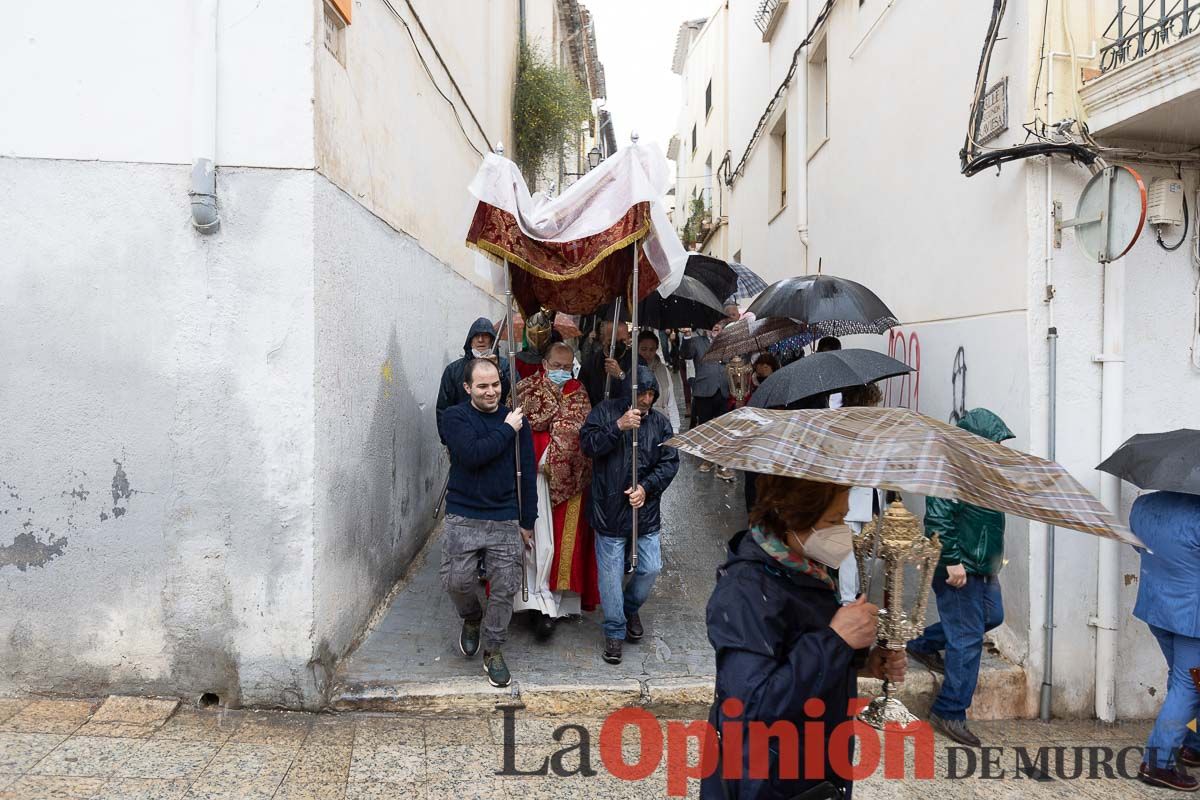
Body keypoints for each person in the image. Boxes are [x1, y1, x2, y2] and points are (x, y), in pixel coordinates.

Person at [703, 476, 907, 800]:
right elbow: (751, 706)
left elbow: (798, 654)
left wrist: (861, 663)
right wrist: (836, 641)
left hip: (817, 769)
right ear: (791, 515)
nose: (843, 530)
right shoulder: (745, 591)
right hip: (768, 781)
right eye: (833, 520)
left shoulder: (806, 569)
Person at [906, 408, 1013, 746]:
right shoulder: (951, 470)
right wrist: (952, 561)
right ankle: (949, 710)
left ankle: (922, 644)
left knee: (992, 616)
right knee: (966, 639)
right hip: (959, 569)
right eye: (994, 441)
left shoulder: (984, 471)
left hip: (982, 568)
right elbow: (937, 521)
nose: (999, 447)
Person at [439, 358, 537, 688]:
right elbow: (472, 454)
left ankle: (493, 649)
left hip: (505, 514)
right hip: (464, 513)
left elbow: (527, 472)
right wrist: (507, 428)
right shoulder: (455, 417)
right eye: (482, 386)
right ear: (468, 388)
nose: (491, 391)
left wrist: (527, 521)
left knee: (505, 588)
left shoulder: (517, 422)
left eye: (495, 384)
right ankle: (470, 616)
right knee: (457, 581)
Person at [580, 364, 680, 665]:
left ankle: (628, 607)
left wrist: (646, 488)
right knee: (610, 575)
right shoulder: (604, 412)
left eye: (651, 393)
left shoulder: (661, 424)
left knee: (650, 568)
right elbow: (588, 445)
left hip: (644, 512)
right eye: (642, 393)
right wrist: (618, 427)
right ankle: (614, 631)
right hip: (609, 509)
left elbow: (670, 463)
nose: (647, 399)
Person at [512, 343, 599, 638]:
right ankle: (532, 602)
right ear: (545, 363)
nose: (562, 372)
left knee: (561, 545)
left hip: (569, 480)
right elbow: (524, 423)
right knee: (537, 544)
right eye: (556, 366)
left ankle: (555, 605)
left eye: (567, 366)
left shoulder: (579, 391)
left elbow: (580, 429)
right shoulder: (526, 388)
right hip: (532, 478)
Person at [1129, 490, 1200, 791]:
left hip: (1156, 607)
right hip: (1192, 617)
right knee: (1190, 683)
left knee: (1186, 679)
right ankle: (1158, 764)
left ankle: (1193, 744)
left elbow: (1139, 548)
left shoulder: (1144, 505)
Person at [436, 318, 510, 444]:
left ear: (492, 340)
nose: (480, 340)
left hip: (498, 433)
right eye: (476, 336)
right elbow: (443, 407)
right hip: (463, 435)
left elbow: (512, 396)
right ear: (470, 341)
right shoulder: (453, 370)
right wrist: (448, 439)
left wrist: (499, 372)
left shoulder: (505, 365)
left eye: (485, 335)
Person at [681, 321, 732, 479]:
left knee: (723, 427)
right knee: (705, 426)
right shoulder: (697, 342)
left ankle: (722, 463)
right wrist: (687, 336)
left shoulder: (727, 341)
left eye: (718, 324)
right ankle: (707, 459)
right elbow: (686, 354)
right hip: (703, 391)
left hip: (723, 390)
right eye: (712, 324)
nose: (715, 326)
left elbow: (734, 360)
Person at [578, 319, 637, 408]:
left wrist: (621, 375)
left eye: (623, 340)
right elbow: (582, 395)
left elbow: (641, 391)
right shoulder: (590, 363)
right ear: (603, 339)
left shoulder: (636, 361)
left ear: (628, 338)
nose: (618, 345)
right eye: (612, 341)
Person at [637, 330, 681, 432]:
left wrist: (675, 428)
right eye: (644, 349)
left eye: (651, 350)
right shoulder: (632, 369)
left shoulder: (663, 369)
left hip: (662, 424)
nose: (647, 353)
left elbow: (671, 400)